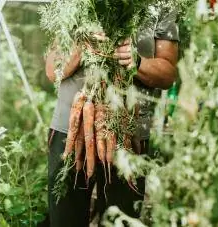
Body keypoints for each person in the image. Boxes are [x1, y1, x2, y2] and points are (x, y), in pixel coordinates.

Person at [45, 5, 180, 227]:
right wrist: (83, 44)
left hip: (128, 135)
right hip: (72, 131)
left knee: (121, 221)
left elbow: (168, 74)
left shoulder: (162, 6)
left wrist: (137, 62)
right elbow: (53, 70)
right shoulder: (71, 5)